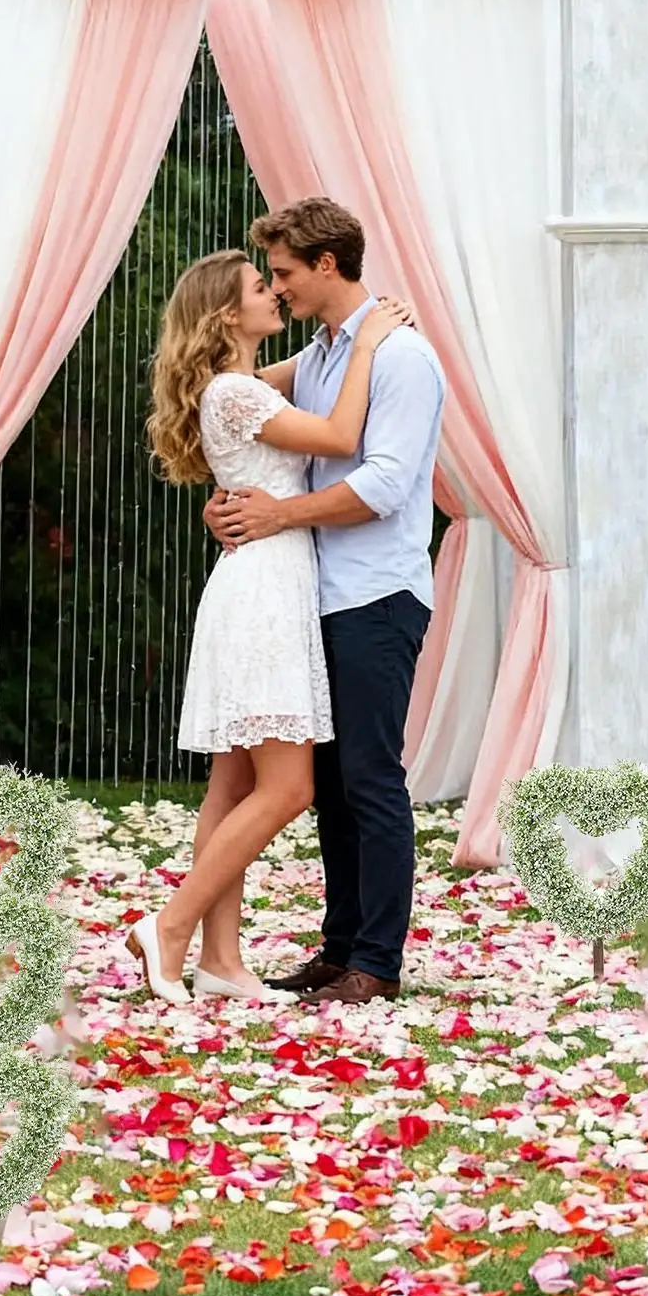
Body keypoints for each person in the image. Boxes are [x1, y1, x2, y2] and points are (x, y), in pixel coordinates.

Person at [125, 247, 411, 1003]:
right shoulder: (234, 393)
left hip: (260, 583)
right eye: (261, 287)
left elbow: (295, 372)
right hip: (266, 593)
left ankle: (221, 960)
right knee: (287, 789)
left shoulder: (241, 384)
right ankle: (173, 924)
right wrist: (372, 343)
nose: (274, 293)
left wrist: (344, 339)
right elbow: (343, 436)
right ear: (227, 313)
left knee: (231, 786)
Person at [205, 198, 445, 1006]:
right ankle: (338, 946)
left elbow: (381, 482)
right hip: (314, 593)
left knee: (370, 778)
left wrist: (277, 513)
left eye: (283, 273)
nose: (277, 288)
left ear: (327, 265)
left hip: (376, 592)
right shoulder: (317, 357)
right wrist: (232, 498)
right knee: (333, 781)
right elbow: (240, 405)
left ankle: (375, 960)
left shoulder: (401, 358)